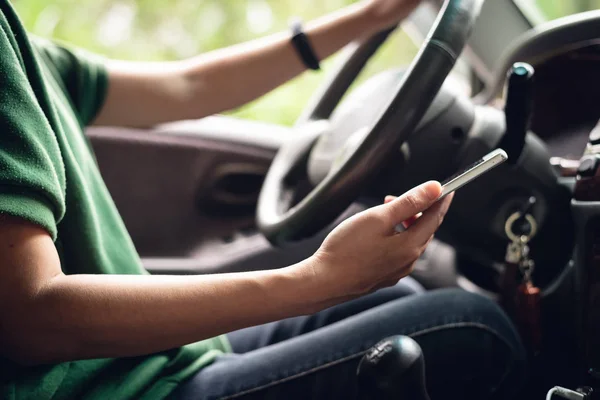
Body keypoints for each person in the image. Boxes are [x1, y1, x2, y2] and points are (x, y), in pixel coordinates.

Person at [0, 0, 526, 399]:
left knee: (403, 301)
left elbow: (188, 86)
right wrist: (318, 279)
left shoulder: (19, 43)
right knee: (473, 326)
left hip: (144, 361)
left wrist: (376, 14)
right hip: (117, 389)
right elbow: (33, 318)